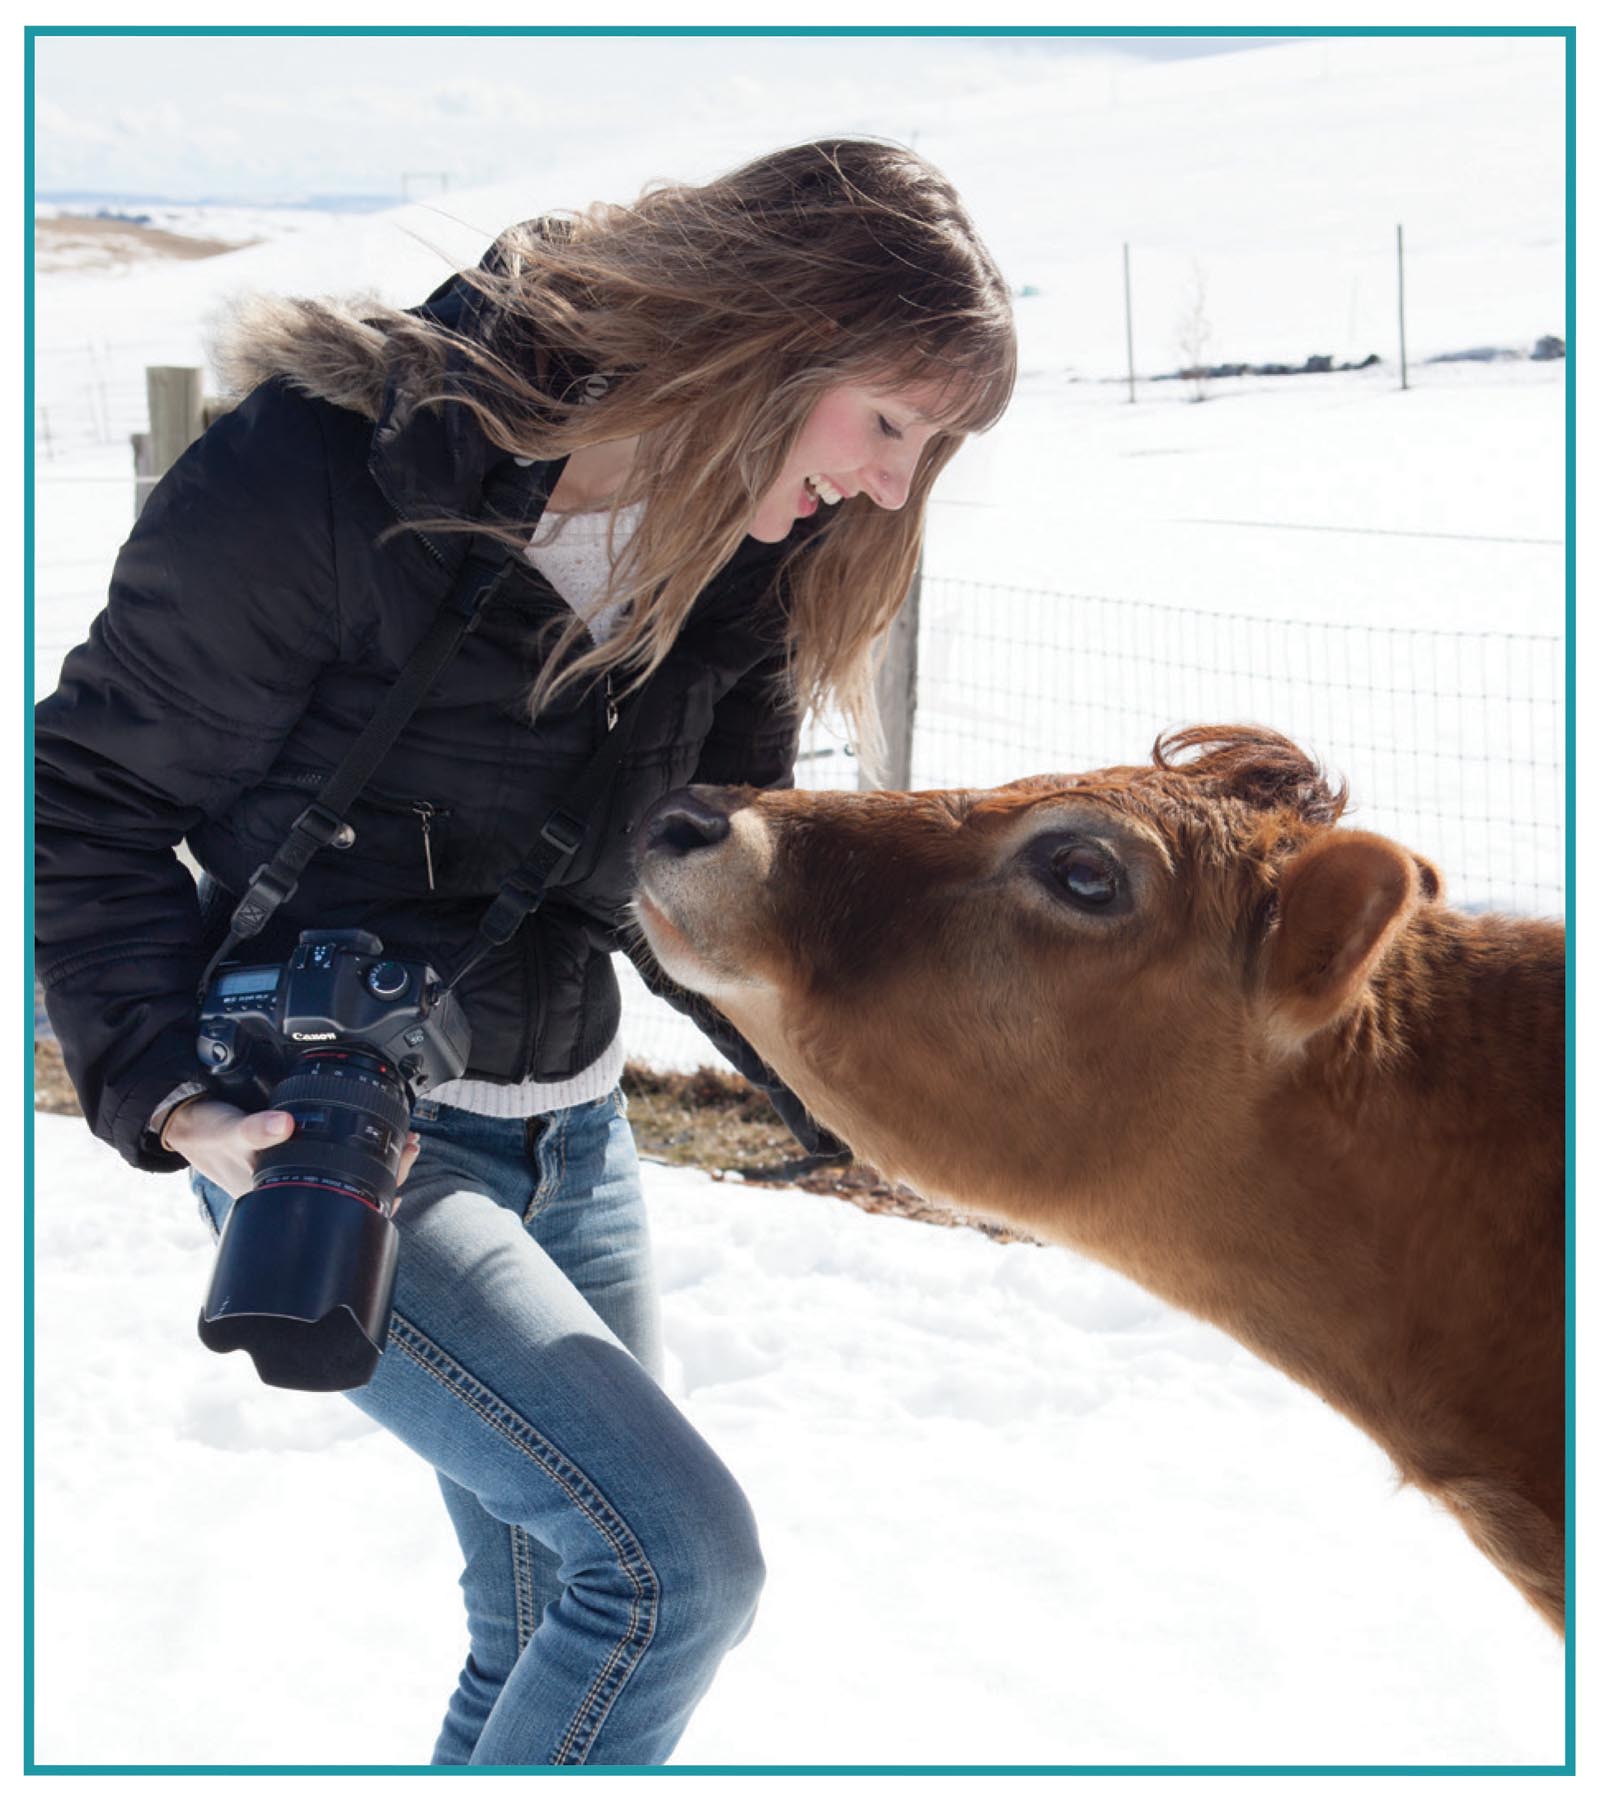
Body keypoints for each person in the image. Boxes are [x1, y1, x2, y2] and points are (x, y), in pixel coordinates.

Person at [34, 138, 1016, 1766]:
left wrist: (885, 1109)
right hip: (336, 1133)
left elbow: (725, 879)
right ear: (763, 334)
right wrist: (163, 1089)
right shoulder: (328, 475)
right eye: (892, 420)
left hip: (578, 1124)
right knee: (670, 1573)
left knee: (547, 1612)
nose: (898, 486)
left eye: (937, 447)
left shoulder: (739, 555)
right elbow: (88, 793)